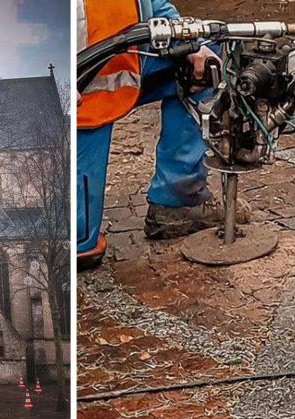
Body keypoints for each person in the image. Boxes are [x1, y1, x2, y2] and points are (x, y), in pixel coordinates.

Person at [76, 0, 243, 270]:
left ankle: (178, 201)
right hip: (80, 97)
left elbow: (152, 4)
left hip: (124, 61)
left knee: (206, 61)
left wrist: (187, 41)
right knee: (79, 246)